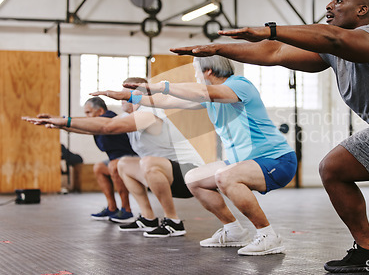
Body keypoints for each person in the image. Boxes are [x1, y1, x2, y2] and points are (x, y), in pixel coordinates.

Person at [169, 0, 369, 274]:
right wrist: (217, 49)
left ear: (363, 9)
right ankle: (368, 251)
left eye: (339, 1)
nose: (329, 5)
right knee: (332, 168)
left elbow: (332, 38)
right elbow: (274, 54)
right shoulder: (332, 52)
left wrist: (271, 29)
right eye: (330, 1)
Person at [95, 57, 297, 256]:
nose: (195, 74)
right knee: (194, 178)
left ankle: (268, 236)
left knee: (225, 176)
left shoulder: (239, 85)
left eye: (196, 69)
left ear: (208, 70)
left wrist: (161, 85)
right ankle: (234, 231)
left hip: (277, 159)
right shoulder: (209, 98)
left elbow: (199, 91)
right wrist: (129, 97)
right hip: (244, 162)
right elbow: (166, 100)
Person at [24, 78, 204, 238]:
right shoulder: (130, 116)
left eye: (126, 93)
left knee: (145, 162)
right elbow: (96, 126)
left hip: (190, 175)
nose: (121, 97)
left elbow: (107, 126)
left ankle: (173, 222)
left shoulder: (149, 113)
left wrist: (65, 121)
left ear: (139, 95)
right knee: (125, 164)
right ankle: (148, 218)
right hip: (166, 174)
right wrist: (61, 124)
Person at [33, 97, 137, 222]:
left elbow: (83, 123)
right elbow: (80, 128)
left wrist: (62, 120)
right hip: (117, 159)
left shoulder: (110, 118)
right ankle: (112, 208)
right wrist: (59, 123)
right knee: (99, 167)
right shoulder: (96, 124)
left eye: (89, 113)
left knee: (113, 166)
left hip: (132, 157)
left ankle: (126, 210)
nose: (87, 117)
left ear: (99, 111)